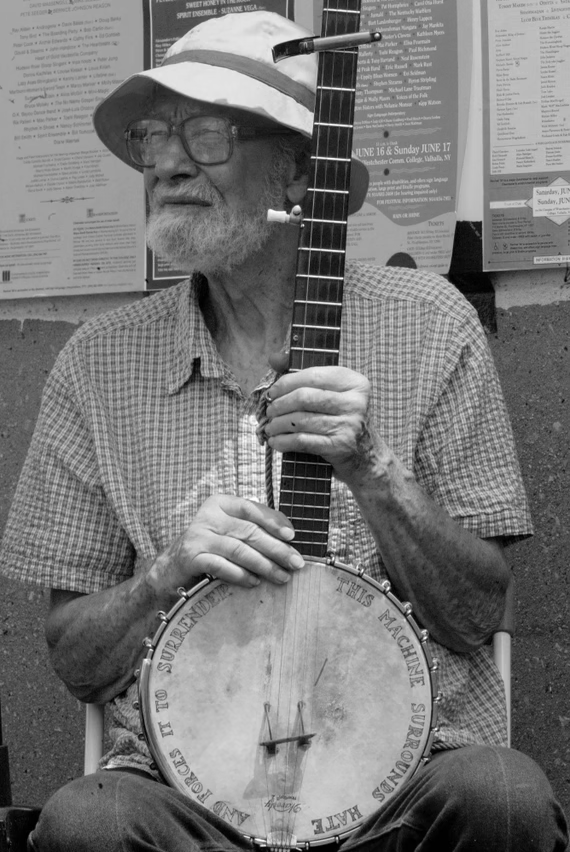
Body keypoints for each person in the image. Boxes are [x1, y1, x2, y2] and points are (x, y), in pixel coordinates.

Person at [0, 10, 566, 852]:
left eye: (208, 134)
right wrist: (166, 572)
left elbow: (478, 612)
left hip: (412, 777)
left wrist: (374, 468)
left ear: (300, 177)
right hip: (182, 789)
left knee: (503, 799)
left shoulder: (431, 325)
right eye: (156, 137)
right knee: (88, 825)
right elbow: (74, 660)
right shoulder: (97, 362)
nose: (168, 163)